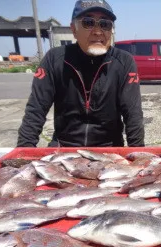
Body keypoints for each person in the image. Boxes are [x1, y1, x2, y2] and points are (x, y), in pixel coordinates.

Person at [17, 0, 144, 147]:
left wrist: (139, 154)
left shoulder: (124, 62)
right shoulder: (54, 59)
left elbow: (133, 114)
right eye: (88, 22)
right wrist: (24, 149)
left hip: (109, 148)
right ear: (74, 29)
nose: (97, 31)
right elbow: (36, 109)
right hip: (63, 146)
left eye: (105, 24)